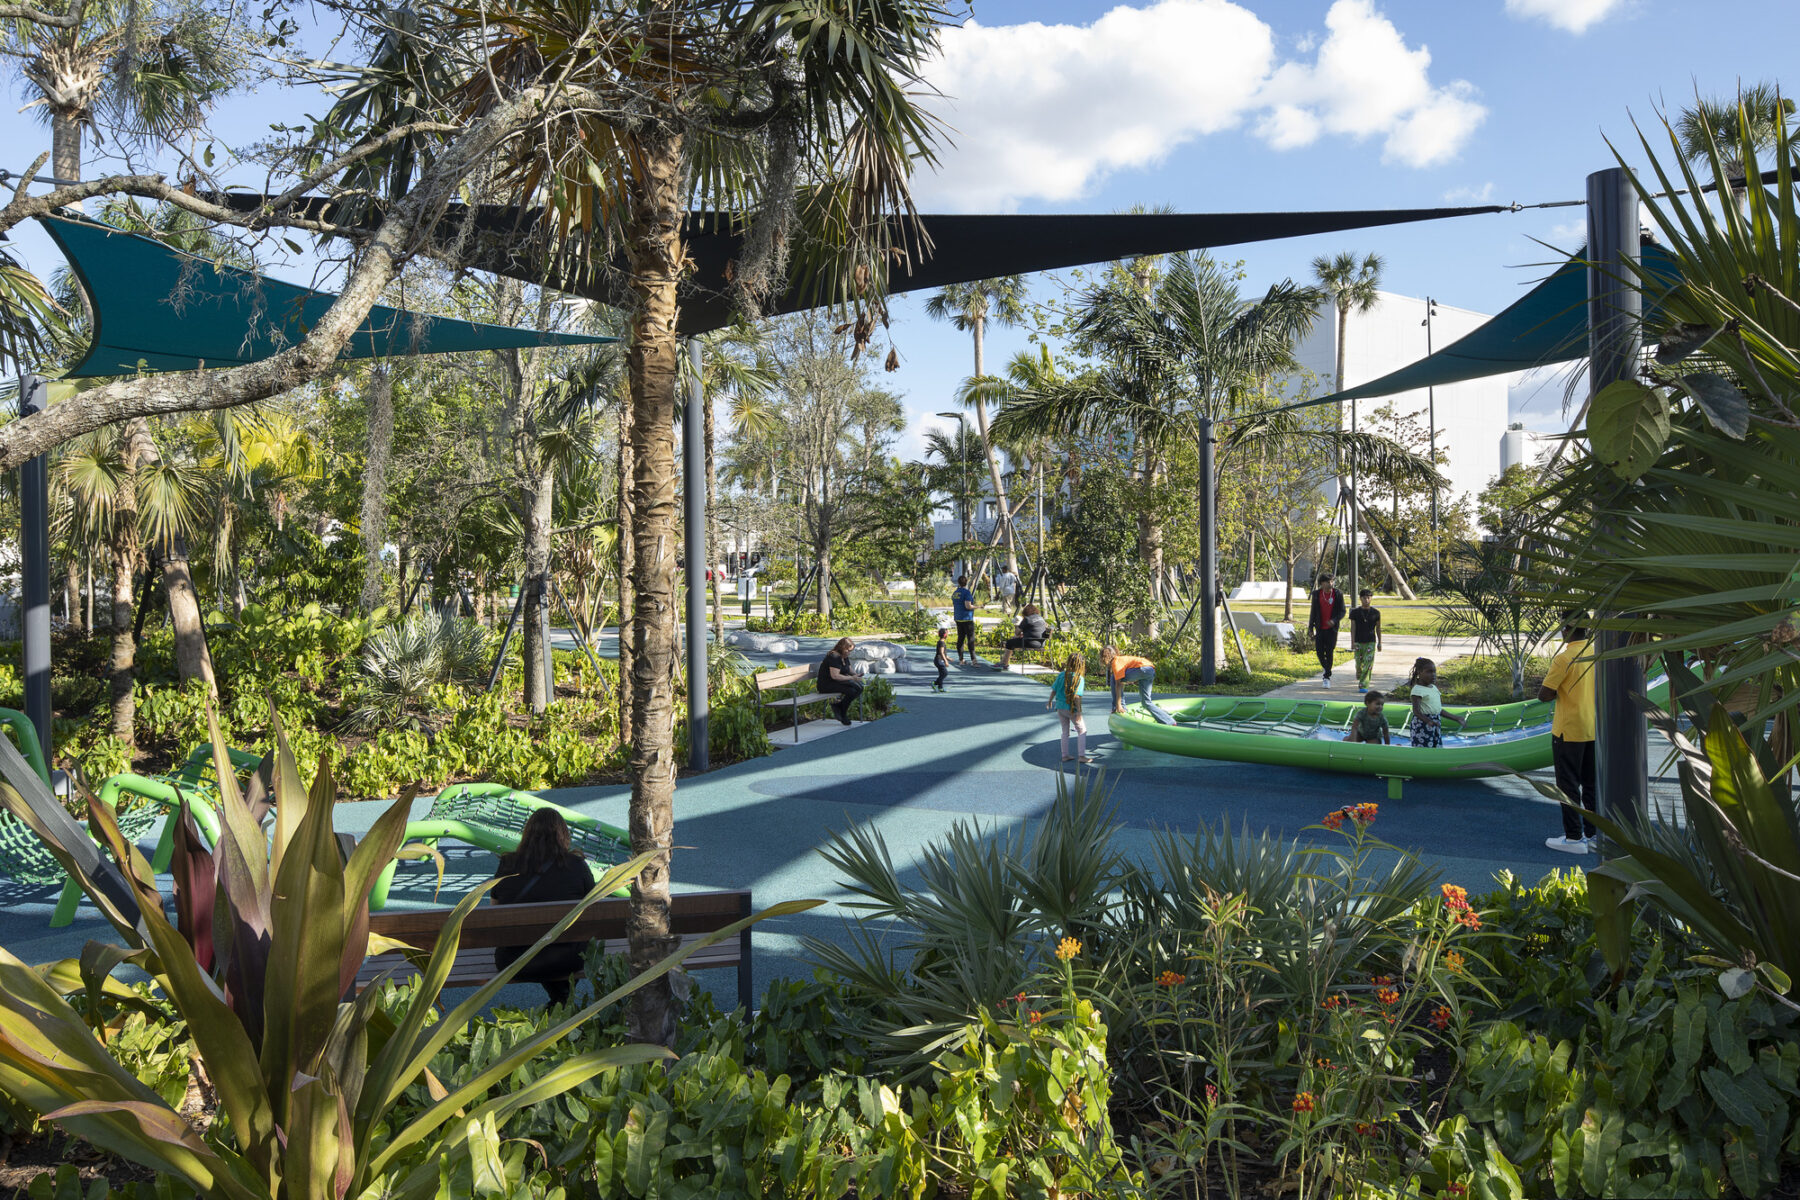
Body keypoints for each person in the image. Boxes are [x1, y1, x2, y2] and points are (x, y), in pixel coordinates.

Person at [492, 809, 594, 1007]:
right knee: (570, 941)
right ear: (563, 834)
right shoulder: (576, 865)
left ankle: (559, 999)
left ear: (527, 834)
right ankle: (561, 999)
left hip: (514, 962)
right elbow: (592, 910)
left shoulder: (507, 864)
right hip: (567, 960)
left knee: (541, 942)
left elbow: (495, 911)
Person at [1540, 612, 1597, 854]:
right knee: (1592, 784)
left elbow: (1545, 694)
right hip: (1592, 727)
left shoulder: (1564, 659)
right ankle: (1594, 835)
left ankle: (1574, 838)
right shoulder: (1595, 651)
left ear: (1566, 629)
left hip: (1567, 730)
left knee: (1568, 785)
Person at [1102, 644, 1176, 724]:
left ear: (1105, 657)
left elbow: (1119, 685)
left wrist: (1118, 705)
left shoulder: (1116, 662)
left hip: (1142, 669)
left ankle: (1119, 707)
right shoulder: (1122, 660)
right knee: (1146, 702)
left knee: (1114, 678)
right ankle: (1169, 721)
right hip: (1150, 669)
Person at [1047, 651, 1091, 764]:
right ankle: (1081, 756)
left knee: (1065, 732)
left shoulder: (1062, 674)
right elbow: (1076, 697)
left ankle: (1064, 755)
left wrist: (1050, 701)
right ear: (1081, 665)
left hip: (1060, 707)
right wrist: (1079, 712)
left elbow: (1054, 690)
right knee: (1082, 730)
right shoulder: (1079, 678)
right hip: (1071, 709)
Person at [1406, 658, 1461, 747]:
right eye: (1429, 672)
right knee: (1423, 749)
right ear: (1419, 672)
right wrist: (1428, 721)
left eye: (1434, 672)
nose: (1433, 675)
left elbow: (1438, 709)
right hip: (1422, 725)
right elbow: (1416, 711)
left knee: (1436, 747)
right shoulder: (1417, 690)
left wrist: (1456, 718)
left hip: (1435, 723)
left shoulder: (1433, 688)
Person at [1307, 574, 1346, 688]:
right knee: (1319, 652)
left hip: (1331, 629)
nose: (1331, 584)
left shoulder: (1337, 594)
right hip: (1320, 628)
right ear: (1322, 583)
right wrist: (1310, 628)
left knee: (1329, 652)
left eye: (1332, 581)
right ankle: (1327, 669)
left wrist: (1334, 620)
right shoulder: (1316, 594)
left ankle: (1326, 677)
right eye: (1328, 582)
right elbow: (1313, 612)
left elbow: (1342, 611)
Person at [817, 637, 864, 725]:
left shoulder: (844, 656)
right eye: (848, 651)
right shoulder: (834, 656)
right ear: (843, 648)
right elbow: (835, 676)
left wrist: (856, 675)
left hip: (836, 683)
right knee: (851, 690)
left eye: (851, 651)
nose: (849, 653)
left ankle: (839, 708)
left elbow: (849, 670)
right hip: (826, 684)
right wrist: (852, 678)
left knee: (860, 688)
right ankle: (842, 713)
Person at [1348, 588, 1382, 694]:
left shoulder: (1376, 613)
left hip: (1370, 642)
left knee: (1368, 664)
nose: (1366, 600)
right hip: (1358, 641)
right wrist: (1352, 641)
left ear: (1371, 598)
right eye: (1364, 598)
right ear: (1360, 598)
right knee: (1359, 663)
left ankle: (1363, 684)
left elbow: (1378, 628)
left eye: (1368, 597)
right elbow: (1353, 627)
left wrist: (1380, 642)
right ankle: (1359, 672)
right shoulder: (1355, 612)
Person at [996, 603, 1050, 670]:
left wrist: (1018, 626)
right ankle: (1003, 662)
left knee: (1009, 642)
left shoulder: (1027, 619)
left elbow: (1017, 632)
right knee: (1013, 641)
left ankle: (1004, 663)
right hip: (1041, 643)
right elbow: (1035, 630)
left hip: (1029, 643)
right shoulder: (1041, 618)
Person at [951, 575, 979, 664]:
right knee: (970, 639)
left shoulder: (955, 593)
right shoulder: (967, 593)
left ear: (958, 583)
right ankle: (974, 660)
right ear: (966, 582)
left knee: (960, 638)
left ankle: (961, 659)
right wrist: (978, 607)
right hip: (967, 618)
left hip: (958, 618)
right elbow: (968, 606)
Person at [932, 627, 950, 692]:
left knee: (941, 674)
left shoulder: (940, 642)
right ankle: (935, 683)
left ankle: (940, 687)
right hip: (939, 660)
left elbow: (943, 653)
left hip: (938, 660)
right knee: (945, 673)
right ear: (945, 635)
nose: (948, 635)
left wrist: (949, 658)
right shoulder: (942, 643)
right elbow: (941, 653)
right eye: (947, 633)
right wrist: (946, 661)